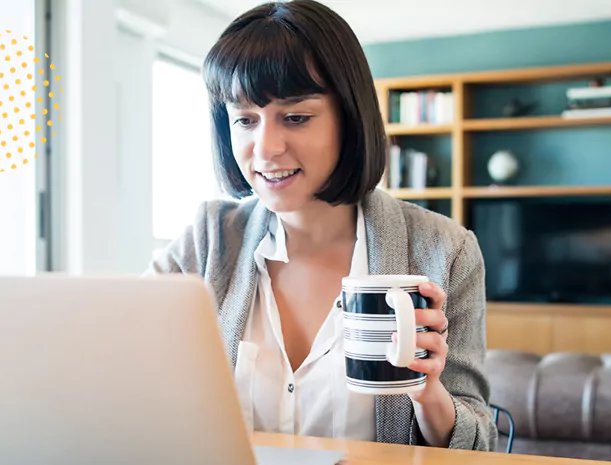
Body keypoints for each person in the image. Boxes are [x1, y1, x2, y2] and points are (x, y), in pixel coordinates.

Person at [144, 0, 497, 452]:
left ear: (349, 120)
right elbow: (114, 354)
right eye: (245, 120)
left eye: (296, 117)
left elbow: (479, 444)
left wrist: (428, 393)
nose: (265, 148)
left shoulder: (445, 251)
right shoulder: (208, 239)